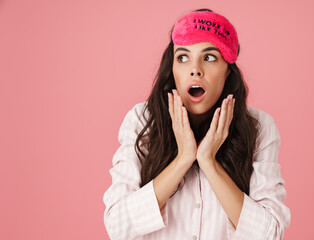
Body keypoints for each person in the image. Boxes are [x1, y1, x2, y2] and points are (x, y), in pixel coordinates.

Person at [103, 8, 291, 240]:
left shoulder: (259, 127)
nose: (195, 70)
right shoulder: (142, 121)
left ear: (227, 71)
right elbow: (118, 227)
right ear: (172, 68)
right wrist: (183, 158)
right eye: (183, 57)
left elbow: (269, 234)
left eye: (209, 57)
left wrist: (208, 162)